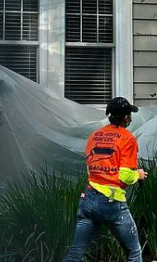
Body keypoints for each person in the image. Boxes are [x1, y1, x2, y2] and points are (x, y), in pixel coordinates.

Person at [61, 97, 147, 262]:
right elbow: (125, 176)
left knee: (75, 254)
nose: (130, 118)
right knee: (134, 252)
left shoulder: (95, 135)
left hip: (88, 199)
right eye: (129, 115)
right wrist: (139, 174)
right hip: (111, 202)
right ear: (126, 118)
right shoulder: (127, 139)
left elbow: (90, 165)